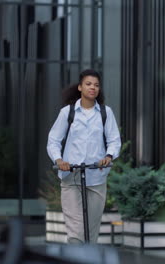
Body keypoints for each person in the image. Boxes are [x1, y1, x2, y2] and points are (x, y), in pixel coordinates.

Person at [47, 69, 121, 244]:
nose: (92, 88)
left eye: (96, 85)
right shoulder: (68, 112)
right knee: (76, 232)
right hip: (71, 177)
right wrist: (59, 160)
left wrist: (109, 156)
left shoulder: (105, 112)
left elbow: (114, 140)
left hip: (96, 177)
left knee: (91, 231)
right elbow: (53, 140)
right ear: (80, 87)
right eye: (88, 84)